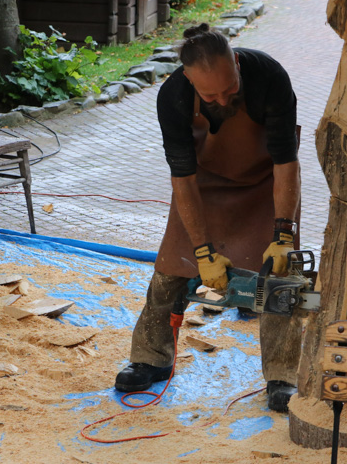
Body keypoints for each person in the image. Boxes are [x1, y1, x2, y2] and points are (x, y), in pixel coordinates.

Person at [115, 23, 304, 412]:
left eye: (229, 89)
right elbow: (182, 179)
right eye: (210, 94)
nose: (221, 99)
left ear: (235, 62)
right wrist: (201, 251)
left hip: (265, 183)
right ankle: (151, 357)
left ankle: (283, 375)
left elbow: (287, 164)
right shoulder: (174, 96)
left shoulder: (270, 77)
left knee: (280, 278)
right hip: (203, 184)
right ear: (188, 78)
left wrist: (283, 233)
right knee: (171, 267)